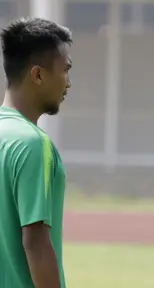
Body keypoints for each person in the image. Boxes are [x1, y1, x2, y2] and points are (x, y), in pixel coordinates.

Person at [0, 18, 72, 288]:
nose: (68, 83)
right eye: (65, 70)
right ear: (38, 74)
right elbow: (36, 242)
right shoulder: (33, 143)